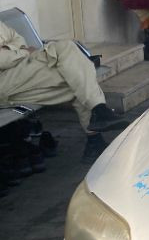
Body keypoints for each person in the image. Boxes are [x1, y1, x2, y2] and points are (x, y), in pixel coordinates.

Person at [0, 21, 128, 162]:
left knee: (74, 77)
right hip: (5, 83)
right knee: (68, 56)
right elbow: (3, 60)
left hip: (21, 70)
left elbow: (19, 40)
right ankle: (99, 116)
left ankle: (95, 139)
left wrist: (9, 49)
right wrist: (22, 51)